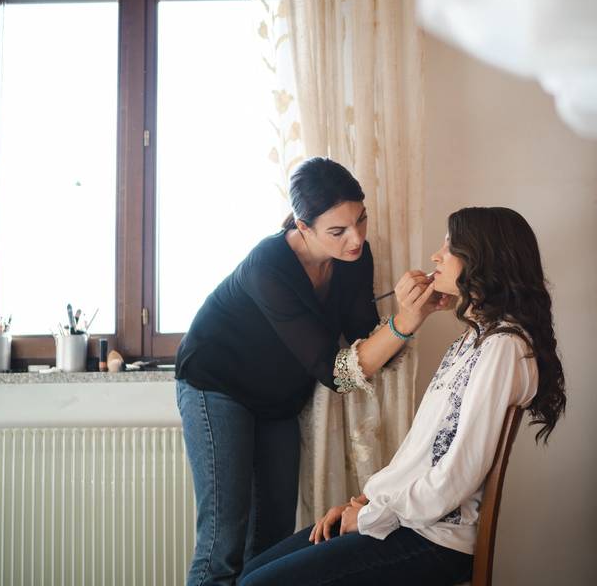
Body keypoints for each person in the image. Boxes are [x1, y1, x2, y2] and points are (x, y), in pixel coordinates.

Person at [237, 206, 567, 586]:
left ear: (484, 258)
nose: (436, 256)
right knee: (252, 573)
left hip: (434, 541)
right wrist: (365, 503)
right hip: (405, 522)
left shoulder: (502, 348)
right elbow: (420, 455)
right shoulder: (471, 341)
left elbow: (455, 475)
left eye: (450, 246)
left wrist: (368, 518)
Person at [175, 157, 449, 585]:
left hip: (279, 399)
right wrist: (403, 322)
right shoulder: (267, 266)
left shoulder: (355, 256)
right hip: (216, 384)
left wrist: (415, 311)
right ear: (303, 228)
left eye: (360, 220)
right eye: (338, 231)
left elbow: (363, 337)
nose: (356, 239)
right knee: (221, 543)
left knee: (272, 543)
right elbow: (337, 373)